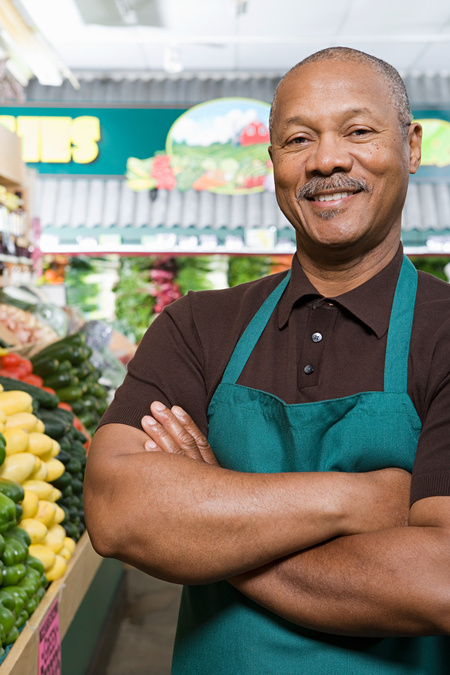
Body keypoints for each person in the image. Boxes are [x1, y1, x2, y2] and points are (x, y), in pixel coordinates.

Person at [84, 47, 450, 674]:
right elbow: (119, 514)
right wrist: (355, 500)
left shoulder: (443, 331)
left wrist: (208, 528)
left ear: (412, 146)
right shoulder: (196, 325)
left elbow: (439, 582)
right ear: (273, 163)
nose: (329, 159)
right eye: (298, 139)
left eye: (359, 131)